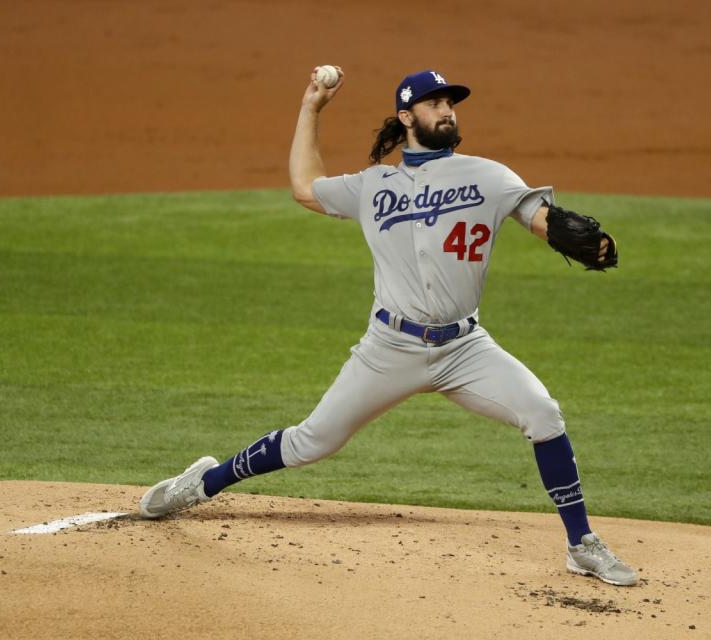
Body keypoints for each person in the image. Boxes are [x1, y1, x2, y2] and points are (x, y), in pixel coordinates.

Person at [139, 67, 638, 587]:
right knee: (313, 442)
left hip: (465, 347)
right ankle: (203, 482)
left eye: (452, 103)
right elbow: (304, 187)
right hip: (389, 348)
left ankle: (581, 543)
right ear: (406, 116)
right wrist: (311, 108)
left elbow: (544, 219)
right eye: (435, 103)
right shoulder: (372, 185)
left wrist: (581, 239)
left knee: (542, 412)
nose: (448, 110)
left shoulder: (489, 176)